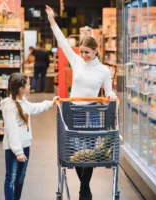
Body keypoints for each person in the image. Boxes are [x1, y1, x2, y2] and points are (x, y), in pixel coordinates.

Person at [46, 5, 117, 200]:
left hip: (92, 114)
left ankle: (84, 188)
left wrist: (112, 96)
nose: (84, 56)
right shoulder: (76, 61)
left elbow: (109, 92)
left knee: (89, 152)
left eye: (87, 52)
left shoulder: (104, 70)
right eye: (82, 52)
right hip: (74, 111)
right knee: (76, 151)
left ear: (96, 51)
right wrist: (52, 21)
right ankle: (84, 187)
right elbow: (62, 42)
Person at [1, 73, 59, 200]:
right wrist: (18, 152)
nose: (30, 85)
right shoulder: (10, 106)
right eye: (28, 84)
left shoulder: (23, 102)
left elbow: (34, 108)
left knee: (20, 177)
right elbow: (12, 131)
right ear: (21, 89)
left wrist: (50, 103)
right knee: (11, 177)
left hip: (25, 145)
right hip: (14, 149)